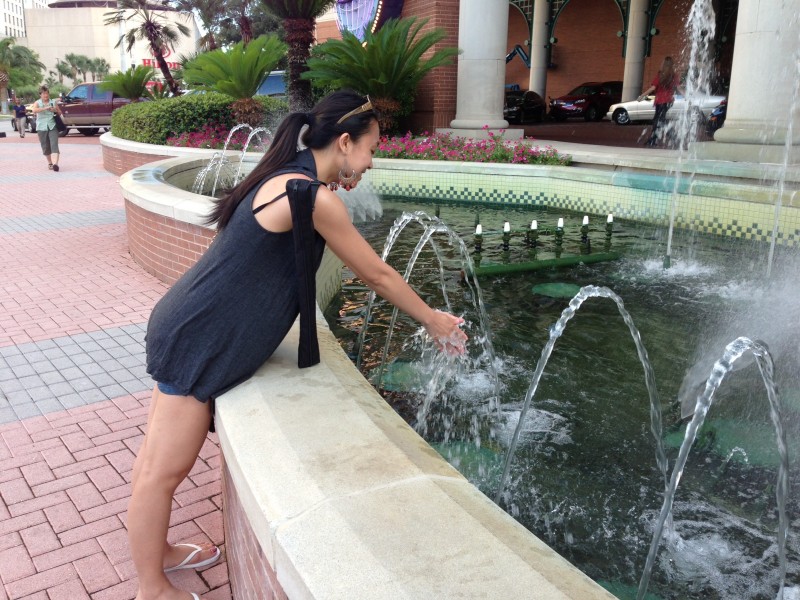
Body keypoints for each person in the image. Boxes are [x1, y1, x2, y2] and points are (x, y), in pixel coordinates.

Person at [131, 90, 468, 600]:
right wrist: (434, 321)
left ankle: (161, 554)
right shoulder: (313, 197)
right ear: (347, 141)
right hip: (201, 335)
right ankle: (150, 587)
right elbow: (376, 274)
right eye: (372, 150)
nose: (372, 163)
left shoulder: (285, 173)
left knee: (156, 461)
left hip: (188, 321)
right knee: (162, 471)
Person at [638, 56, 684, 147]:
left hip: (660, 101)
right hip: (668, 101)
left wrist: (642, 95)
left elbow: (653, 87)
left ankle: (671, 136)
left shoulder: (660, 75)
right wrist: (686, 96)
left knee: (659, 121)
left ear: (663, 64)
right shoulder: (673, 76)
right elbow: (679, 88)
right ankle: (654, 139)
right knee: (659, 120)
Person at [31, 85, 63, 171]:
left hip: (52, 126)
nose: (46, 95)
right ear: (40, 95)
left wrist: (55, 110)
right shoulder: (37, 103)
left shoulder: (53, 102)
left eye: (47, 93)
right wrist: (45, 108)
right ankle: (50, 163)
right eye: (44, 94)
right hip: (41, 127)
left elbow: (60, 112)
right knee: (45, 146)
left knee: (54, 145)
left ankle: (55, 164)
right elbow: (34, 110)